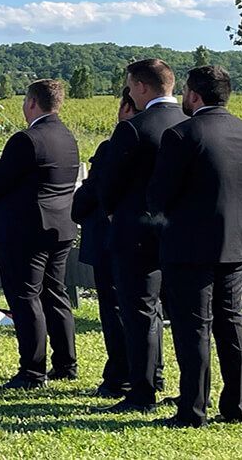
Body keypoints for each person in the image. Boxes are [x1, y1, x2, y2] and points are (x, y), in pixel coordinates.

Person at [148, 66, 242, 428]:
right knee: (231, 323)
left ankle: (192, 409)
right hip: (235, 241)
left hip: (189, 245)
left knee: (193, 327)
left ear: (194, 95)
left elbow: (159, 196)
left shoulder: (182, 135)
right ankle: (236, 406)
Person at [0, 79, 80, 389]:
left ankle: (33, 370)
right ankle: (66, 362)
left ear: (32, 103)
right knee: (55, 293)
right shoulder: (67, 136)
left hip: (26, 228)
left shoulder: (27, 139)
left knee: (25, 297)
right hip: (60, 226)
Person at [97, 58, 185, 412]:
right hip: (178, 232)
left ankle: (142, 389)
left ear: (143, 87)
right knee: (180, 314)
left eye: (131, 86)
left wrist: (112, 209)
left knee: (139, 313)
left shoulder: (133, 128)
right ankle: (179, 383)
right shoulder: (189, 123)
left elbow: (110, 184)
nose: (130, 92)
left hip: (136, 231)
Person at [72, 87, 139, 398]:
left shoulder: (113, 146)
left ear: (127, 108)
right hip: (147, 238)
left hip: (110, 237)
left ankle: (119, 375)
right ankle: (151, 371)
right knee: (144, 309)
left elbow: (96, 188)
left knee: (114, 310)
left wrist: (77, 207)